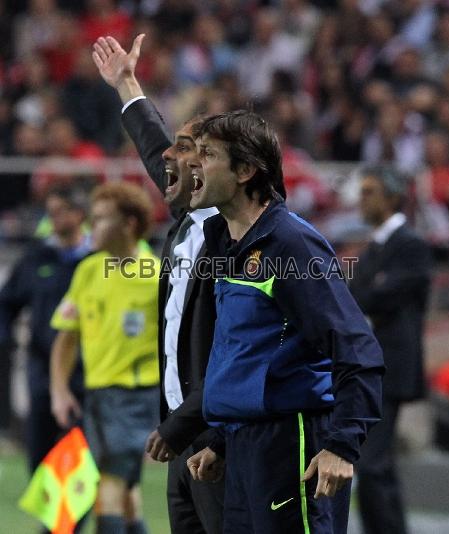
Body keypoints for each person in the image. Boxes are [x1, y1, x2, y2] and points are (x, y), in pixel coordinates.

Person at [186, 110, 385, 534]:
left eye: (207, 154)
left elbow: (357, 347)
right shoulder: (224, 238)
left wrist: (341, 446)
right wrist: (222, 439)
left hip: (292, 442)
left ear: (245, 171)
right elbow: (249, 349)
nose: (191, 162)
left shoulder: (291, 244)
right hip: (244, 446)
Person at [91, 34, 224, 534]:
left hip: (216, 435)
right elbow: (155, 151)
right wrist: (127, 84)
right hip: (178, 432)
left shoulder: (236, 233)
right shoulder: (186, 220)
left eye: (186, 152)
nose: (168, 160)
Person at [50, 181, 160, 534]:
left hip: (135, 396)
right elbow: (67, 337)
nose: (89, 227)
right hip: (95, 395)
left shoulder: (156, 276)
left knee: (109, 485)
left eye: (100, 219)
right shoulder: (89, 270)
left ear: (128, 224)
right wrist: (60, 390)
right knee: (127, 489)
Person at [348, 165, 432, 534]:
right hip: (376, 366)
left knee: (371, 464)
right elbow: (360, 296)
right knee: (376, 464)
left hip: (391, 368)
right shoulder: (379, 247)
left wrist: (368, 294)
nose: (361, 200)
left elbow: (375, 296)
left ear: (393, 197)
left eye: (370, 192)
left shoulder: (409, 244)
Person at [0, 185, 89, 473]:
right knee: (40, 450)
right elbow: (7, 302)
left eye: (61, 212)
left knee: (83, 452)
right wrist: (7, 341)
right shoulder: (35, 258)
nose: (54, 218)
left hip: (88, 370)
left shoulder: (98, 259)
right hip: (42, 368)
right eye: (50, 212)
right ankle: (47, 518)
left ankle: (74, 519)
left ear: (79, 214)